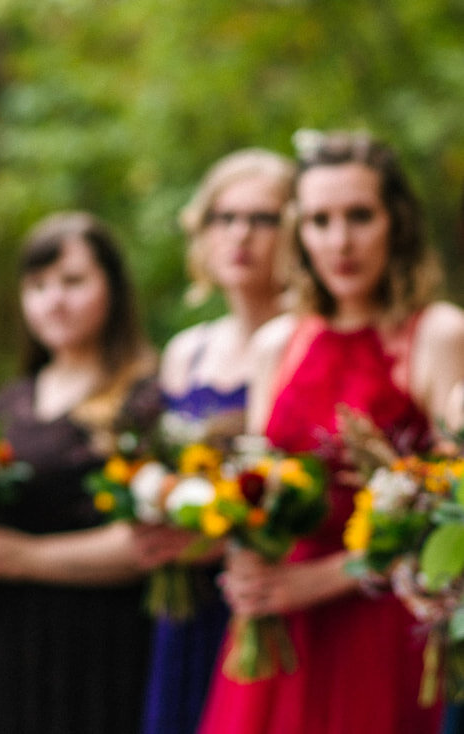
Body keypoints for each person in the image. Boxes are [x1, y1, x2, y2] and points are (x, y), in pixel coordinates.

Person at [197, 130, 464, 734]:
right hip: (275, 624)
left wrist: (316, 582)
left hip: (378, 621)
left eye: (359, 216)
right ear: (300, 232)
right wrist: (244, 554)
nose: (340, 241)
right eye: (319, 220)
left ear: (395, 221)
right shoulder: (278, 342)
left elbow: (449, 521)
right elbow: (257, 483)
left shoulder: (438, 333)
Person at [0, 211, 165, 733]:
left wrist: (26, 557)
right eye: (38, 286)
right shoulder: (9, 400)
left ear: (114, 288)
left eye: (73, 282)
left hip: (90, 647)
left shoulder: (145, 400)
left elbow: (149, 544)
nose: (54, 300)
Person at [139, 148, 296, 734]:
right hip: (189, 599)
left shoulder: (306, 342)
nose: (240, 235)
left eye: (263, 219)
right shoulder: (188, 350)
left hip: (269, 592)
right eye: (224, 218)